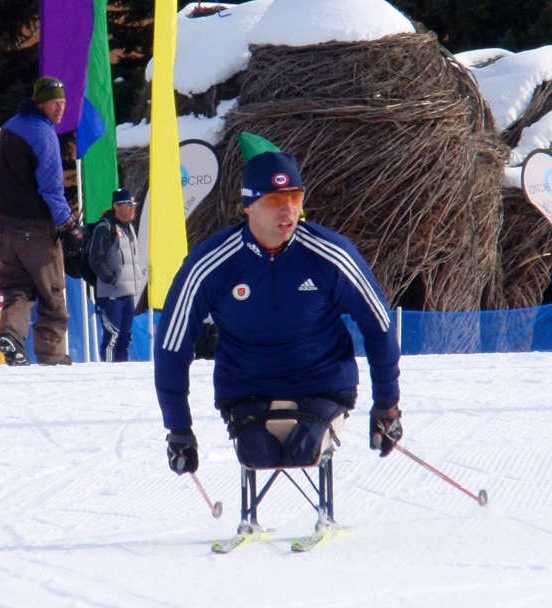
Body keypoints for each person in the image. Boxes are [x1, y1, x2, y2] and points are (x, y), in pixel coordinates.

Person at [154, 133, 403, 480]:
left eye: (294, 197)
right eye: (274, 200)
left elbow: (378, 324)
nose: (287, 209)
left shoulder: (330, 253)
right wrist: (178, 428)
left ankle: (323, 513)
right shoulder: (210, 263)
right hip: (247, 390)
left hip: (323, 385)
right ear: (249, 205)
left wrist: (387, 405)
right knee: (259, 453)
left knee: (305, 449)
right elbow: (171, 344)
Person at [0, 75, 83, 367]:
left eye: (64, 102)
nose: (60, 108)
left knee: (18, 289)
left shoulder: (10, 127)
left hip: (4, 227)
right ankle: (52, 354)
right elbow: (51, 189)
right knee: (51, 291)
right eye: (55, 102)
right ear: (40, 103)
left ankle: (11, 335)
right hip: (35, 229)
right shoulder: (44, 134)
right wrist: (68, 226)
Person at [88, 188, 141, 362]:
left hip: (128, 294)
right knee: (112, 337)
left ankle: (122, 377)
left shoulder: (129, 229)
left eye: (134, 204)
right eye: (128, 204)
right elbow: (96, 259)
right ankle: (108, 374)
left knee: (125, 339)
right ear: (116, 207)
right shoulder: (105, 228)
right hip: (111, 295)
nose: (133, 208)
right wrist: (110, 278)